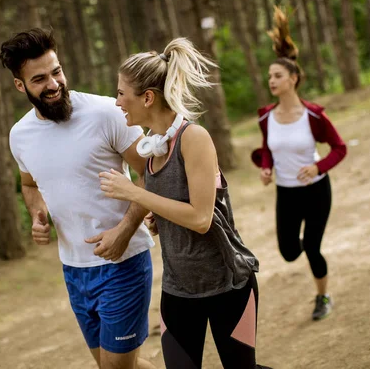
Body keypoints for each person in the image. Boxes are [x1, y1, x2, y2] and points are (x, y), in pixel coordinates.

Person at [98, 38, 271, 369]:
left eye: (122, 93)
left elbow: (202, 218)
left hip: (229, 284)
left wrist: (135, 193)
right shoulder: (151, 148)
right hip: (178, 290)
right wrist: (160, 220)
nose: (117, 101)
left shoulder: (194, 138)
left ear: (147, 97)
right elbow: (176, 208)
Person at [0, 28, 156, 369]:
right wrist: (36, 214)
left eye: (56, 72)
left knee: (115, 367)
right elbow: (29, 185)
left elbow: (150, 173)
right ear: (20, 85)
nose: (53, 84)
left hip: (123, 262)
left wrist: (126, 229)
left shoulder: (107, 113)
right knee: (110, 365)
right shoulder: (20, 135)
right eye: (39, 79)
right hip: (73, 269)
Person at [251, 7, 347, 321]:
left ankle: (323, 297)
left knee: (314, 248)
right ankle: (310, 246)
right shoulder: (266, 116)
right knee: (290, 251)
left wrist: (319, 168)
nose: (271, 81)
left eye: (277, 76)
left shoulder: (315, 115)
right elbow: (267, 148)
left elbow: (339, 148)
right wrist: (266, 166)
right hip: (287, 193)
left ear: (293, 79)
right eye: (269, 77)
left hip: (317, 190)